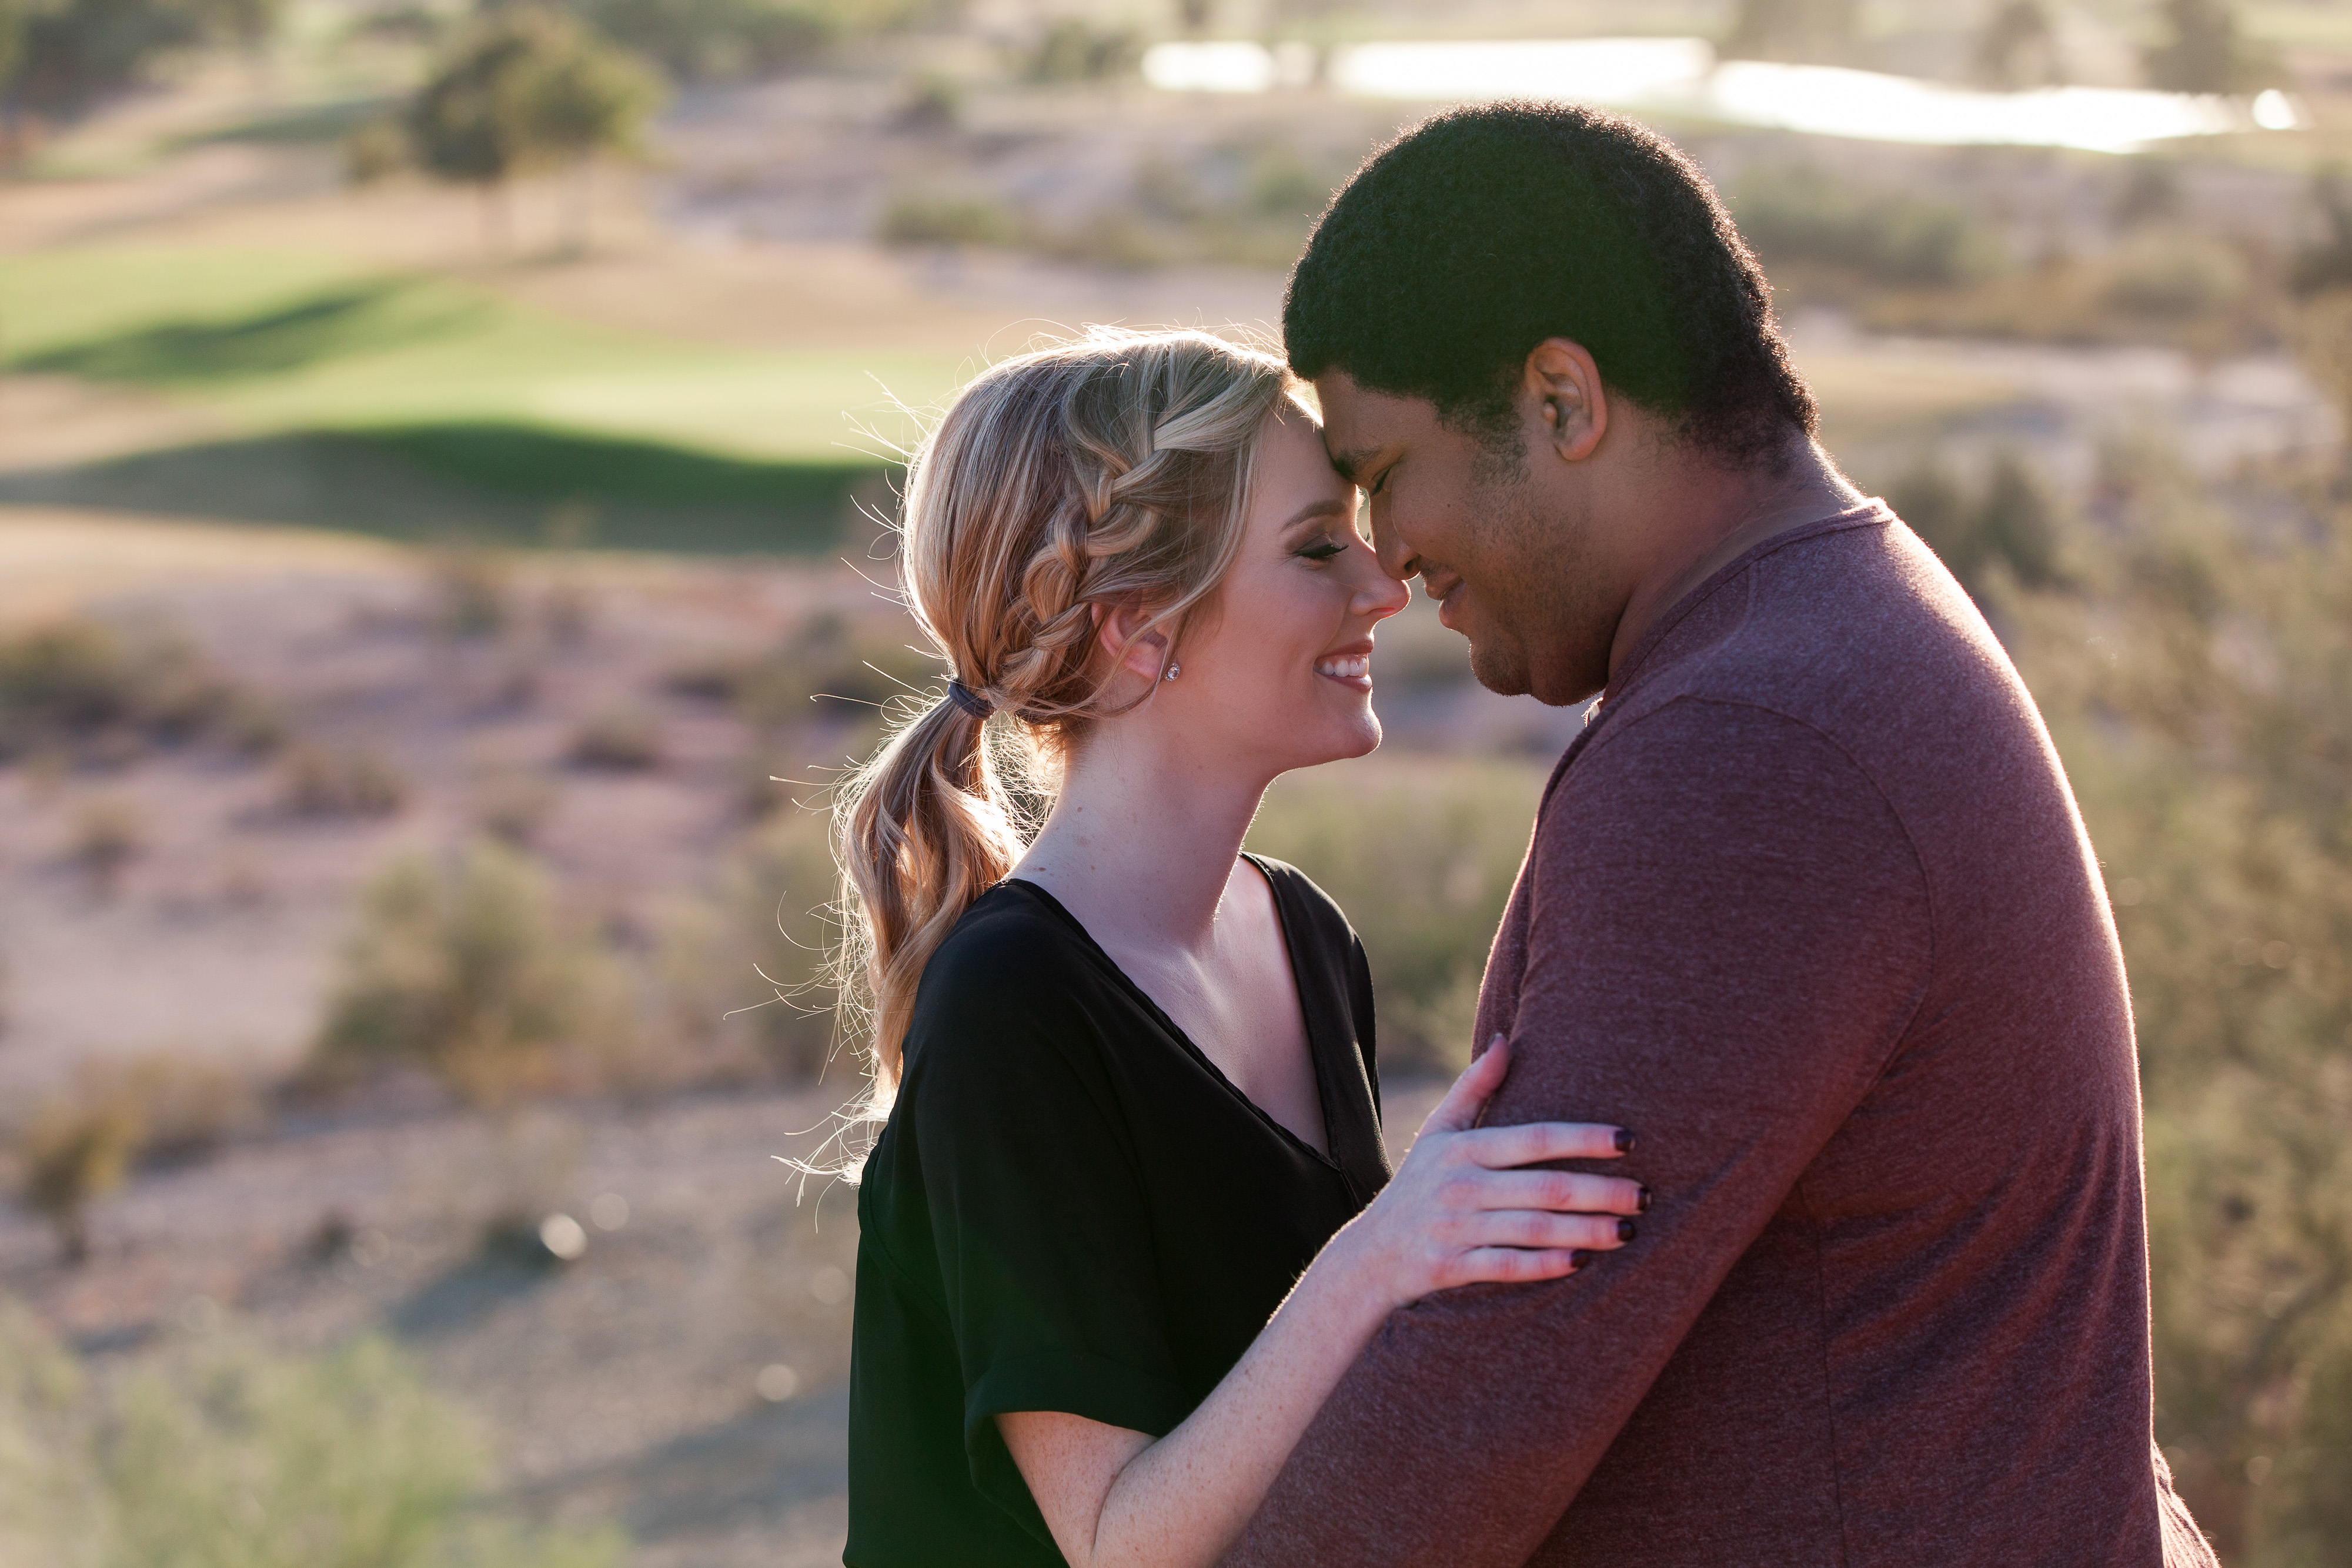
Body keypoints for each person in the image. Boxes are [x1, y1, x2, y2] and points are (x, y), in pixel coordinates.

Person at [1212, 102, 2219, 1567]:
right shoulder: (1831, 632)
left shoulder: (1751, 743)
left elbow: (1479, 1398)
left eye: (1382, 474)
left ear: (1561, 401)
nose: (1380, 557)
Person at [834, 328, 1651, 1568]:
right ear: (1137, 625)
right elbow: (1119, 1537)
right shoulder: (1011, 1005)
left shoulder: (1305, 936)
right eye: (1316, 545)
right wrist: (1375, 1257)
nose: (1383, 586)